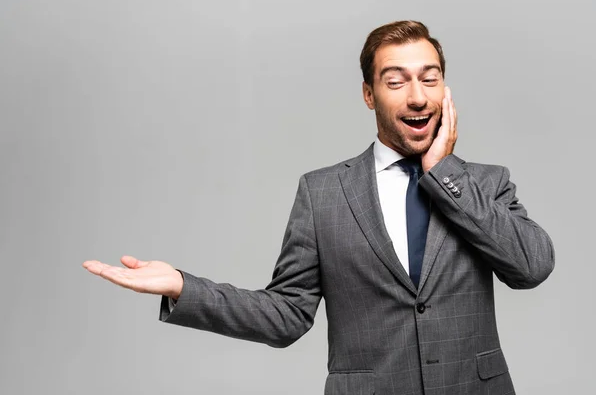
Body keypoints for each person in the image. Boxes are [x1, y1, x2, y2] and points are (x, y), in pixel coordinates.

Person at [83, 20, 555, 395]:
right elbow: (286, 314)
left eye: (429, 79)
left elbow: (531, 267)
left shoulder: (484, 183)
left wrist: (444, 172)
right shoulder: (323, 193)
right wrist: (185, 287)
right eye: (397, 81)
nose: (417, 95)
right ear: (369, 95)